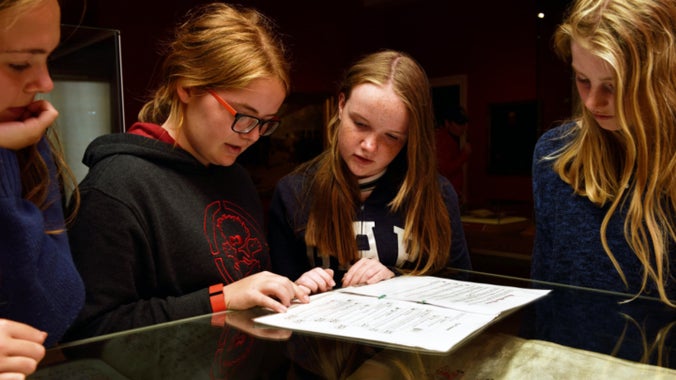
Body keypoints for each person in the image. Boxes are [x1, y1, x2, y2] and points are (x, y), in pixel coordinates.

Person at [64, 2, 309, 340]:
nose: (252, 135)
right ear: (188, 87)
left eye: (265, 123)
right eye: (242, 114)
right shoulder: (116, 188)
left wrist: (286, 289)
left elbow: (247, 285)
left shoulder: (235, 176)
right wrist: (220, 301)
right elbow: (91, 332)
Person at [268, 50, 471, 294]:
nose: (369, 146)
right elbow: (273, 294)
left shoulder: (437, 193)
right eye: (361, 124)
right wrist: (297, 286)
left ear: (410, 138)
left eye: (392, 137)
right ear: (341, 105)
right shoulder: (294, 192)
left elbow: (462, 286)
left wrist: (398, 279)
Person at [531, 0, 676, 306]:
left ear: (660, 80)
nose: (592, 103)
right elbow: (544, 289)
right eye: (582, 80)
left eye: (613, 86)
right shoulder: (555, 156)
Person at [0, 0, 86, 376]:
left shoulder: (25, 143)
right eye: (19, 63)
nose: (46, 83)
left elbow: (51, 311)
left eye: (48, 58)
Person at [435, 104, 471, 203]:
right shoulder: (442, 140)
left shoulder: (450, 139)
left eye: (464, 123)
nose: (462, 127)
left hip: (449, 194)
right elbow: (445, 170)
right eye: (459, 123)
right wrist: (464, 155)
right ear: (447, 123)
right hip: (444, 196)